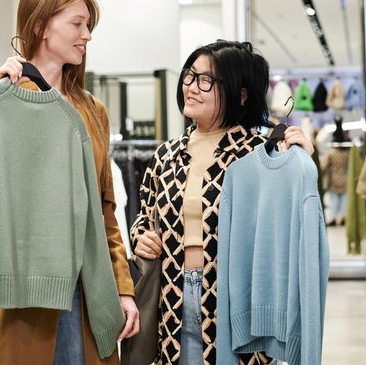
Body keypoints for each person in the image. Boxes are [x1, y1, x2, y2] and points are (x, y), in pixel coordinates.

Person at [0, 0, 139, 365]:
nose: (87, 35)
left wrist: (122, 288)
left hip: (85, 291)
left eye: (89, 26)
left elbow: (105, 211)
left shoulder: (92, 111)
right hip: (18, 298)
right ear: (40, 25)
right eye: (77, 24)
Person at [130, 40, 314, 365]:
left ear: (240, 94)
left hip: (233, 301)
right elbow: (145, 217)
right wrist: (141, 236)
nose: (192, 87)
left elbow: (287, 225)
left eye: (206, 81)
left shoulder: (262, 153)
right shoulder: (166, 155)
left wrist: (301, 163)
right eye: (190, 76)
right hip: (172, 296)